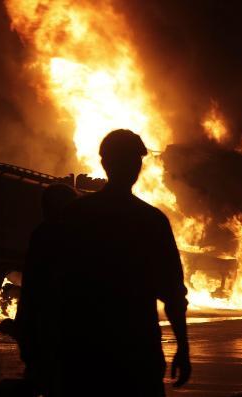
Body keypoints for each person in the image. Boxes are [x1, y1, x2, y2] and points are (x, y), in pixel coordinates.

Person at [54, 129, 190, 397]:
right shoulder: (151, 221)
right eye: (133, 161)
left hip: (83, 355)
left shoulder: (74, 216)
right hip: (136, 353)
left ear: (104, 163)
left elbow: (51, 285)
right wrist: (183, 348)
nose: (135, 167)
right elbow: (173, 293)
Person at [14, 183, 78, 395]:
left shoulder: (42, 234)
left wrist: (23, 328)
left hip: (48, 328)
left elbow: (32, 285)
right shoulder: (82, 235)